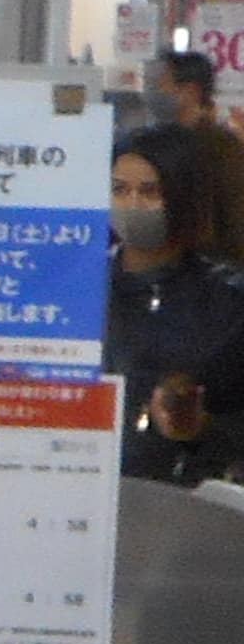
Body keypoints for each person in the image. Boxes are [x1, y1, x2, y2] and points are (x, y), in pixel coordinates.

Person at [109, 137, 244, 488]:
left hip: (183, 500)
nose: (132, 204)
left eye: (150, 191)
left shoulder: (227, 300)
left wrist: (199, 428)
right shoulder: (80, 288)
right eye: (119, 189)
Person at [145, 46, 244, 244]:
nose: (152, 93)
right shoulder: (156, 141)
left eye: (160, 85)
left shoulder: (221, 147)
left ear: (189, 91)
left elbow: (230, 217)